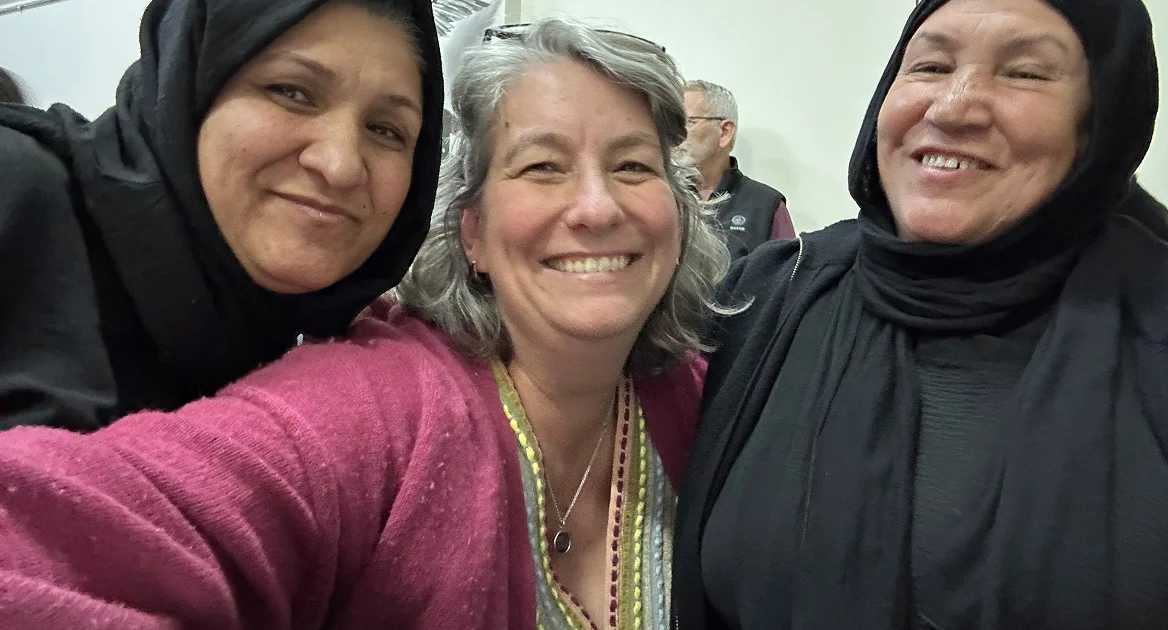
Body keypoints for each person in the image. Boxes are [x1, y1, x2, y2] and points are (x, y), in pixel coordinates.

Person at [0, 18, 731, 628]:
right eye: (542, 166)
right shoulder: (377, 410)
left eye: (633, 167)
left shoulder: (715, 402)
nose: (598, 207)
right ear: (471, 232)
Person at [673, 0, 1168, 628]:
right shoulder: (770, 293)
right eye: (930, 66)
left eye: (1025, 72)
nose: (952, 108)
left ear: (1102, 119)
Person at [0, 0, 443, 431]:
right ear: (189, 84)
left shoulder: (337, 356)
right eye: (291, 92)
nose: (340, 166)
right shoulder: (18, 189)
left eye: (385, 130)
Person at [682, 79, 794, 260]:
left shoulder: (765, 206)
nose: (675, 133)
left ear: (725, 132)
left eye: (688, 122)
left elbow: (786, 274)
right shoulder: (662, 194)